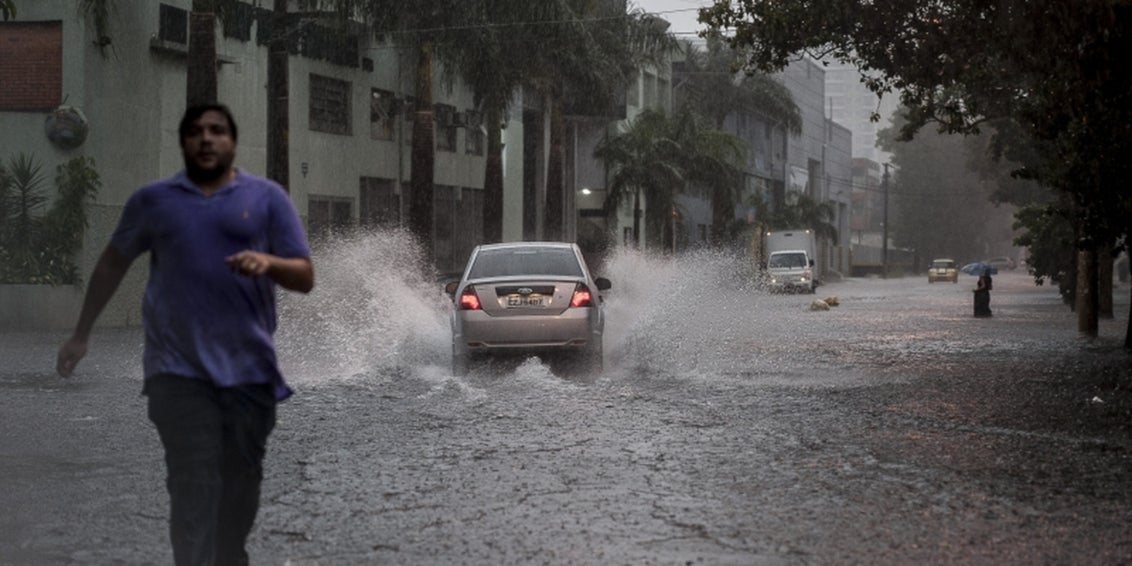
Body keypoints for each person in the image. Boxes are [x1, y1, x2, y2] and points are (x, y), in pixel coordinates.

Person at [56, 103, 314, 566]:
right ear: (183, 143)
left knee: (240, 488)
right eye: (195, 131)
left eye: (217, 131)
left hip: (250, 375)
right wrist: (81, 333)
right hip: (176, 373)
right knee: (193, 484)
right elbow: (113, 262)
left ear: (232, 142)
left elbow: (304, 276)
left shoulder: (268, 198)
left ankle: (229, 555)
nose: (206, 138)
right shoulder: (153, 201)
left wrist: (269, 263)